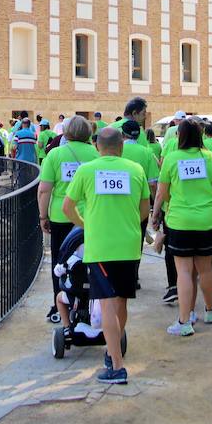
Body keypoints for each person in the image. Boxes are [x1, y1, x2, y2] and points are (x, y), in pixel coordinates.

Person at [63, 126, 150, 384]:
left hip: (101, 246)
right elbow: (144, 208)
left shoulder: (87, 170)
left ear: (98, 147)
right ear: (121, 147)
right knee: (121, 301)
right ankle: (113, 352)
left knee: (108, 304)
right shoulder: (136, 170)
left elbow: (68, 206)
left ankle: (117, 366)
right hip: (129, 245)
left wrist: (85, 224)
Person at [152, 119, 212, 336]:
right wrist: (209, 200)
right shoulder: (211, 157)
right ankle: (210, 310)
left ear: (180, 136)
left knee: (183, 271)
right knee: (205, 269)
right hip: (207, 220)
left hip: (179, 220)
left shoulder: (173, 158)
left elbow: (162, 191)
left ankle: (185, 321)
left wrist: (158, 212)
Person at [38, 116, 100, 323]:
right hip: (89, 217)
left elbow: (44, 189)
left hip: (61, 216)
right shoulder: (95, 154)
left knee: (60, 261)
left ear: (66, 132)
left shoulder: (55, 154)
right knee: (90, 260)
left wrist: (43, 216)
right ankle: (89, 303)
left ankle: (60, 303)